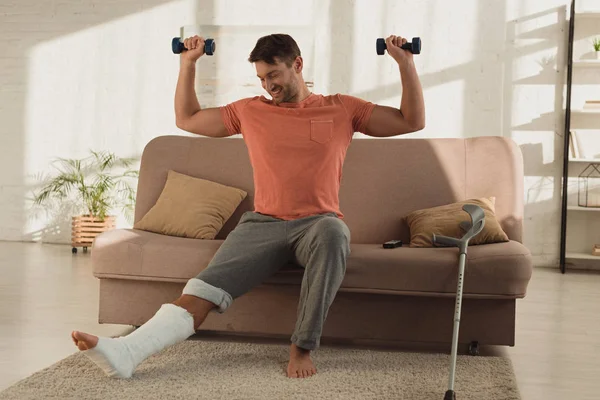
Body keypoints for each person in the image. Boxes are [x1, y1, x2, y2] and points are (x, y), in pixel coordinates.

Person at [71, 33, 425, 380]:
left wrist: (405, 64)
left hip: (318, 223)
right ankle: (127, 352)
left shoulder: (342, 108)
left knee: (335, 232)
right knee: (202, 290)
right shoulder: (250, 112)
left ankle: (302, 346)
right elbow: (187, 118)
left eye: (273, 75)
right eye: (260, 78)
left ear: (297, 65)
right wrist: (187, 63)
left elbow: (411, 121)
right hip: (263, 224)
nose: (267, 85)